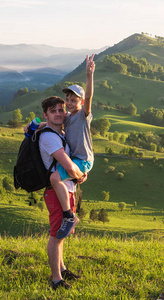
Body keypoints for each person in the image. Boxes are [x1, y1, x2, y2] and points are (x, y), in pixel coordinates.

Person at [39, 96, 87, 290]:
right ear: (46, 114)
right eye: (53, 111)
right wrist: (80, 175)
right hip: (56, 192)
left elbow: (71, 115)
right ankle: (56, 280)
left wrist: (35, 124)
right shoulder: (49, 137)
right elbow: (67, 165)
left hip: (65, 190)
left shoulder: (58, 132)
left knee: (62, 232)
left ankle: (62, 268)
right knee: (56, 234)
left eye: (61, 110)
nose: (59, 114)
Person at [49, 54, 95, 239]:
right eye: (67, 99)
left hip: (83, 160)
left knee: (54, 178)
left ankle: (70, 216)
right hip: (75, 159)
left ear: (81, 102)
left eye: (74, 100)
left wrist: (89, 75)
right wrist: (34, 125)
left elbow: (90, 95)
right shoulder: (67, 118)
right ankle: (68, 214)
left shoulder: (83, 115)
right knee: (56, 179)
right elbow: (51, 122)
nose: (69, 103)